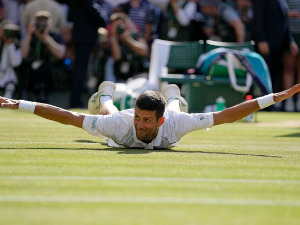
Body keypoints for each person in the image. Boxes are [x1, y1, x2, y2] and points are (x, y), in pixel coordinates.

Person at [1, 81, 300, 150]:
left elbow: (226, 115)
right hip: (116, 121)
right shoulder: (124, 122)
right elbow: (68, 117)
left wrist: (274, 98)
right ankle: (105, 94)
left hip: (171, 117)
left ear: (159, 123)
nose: (141, 125)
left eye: (147, 120)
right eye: (139, 118)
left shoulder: (173, 122)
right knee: (109, 113)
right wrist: (21, 104)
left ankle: (172, 96)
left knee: (174, 109)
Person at [252, 0, 298, 110]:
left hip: (278, 44)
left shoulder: (282, 1)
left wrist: (290, 41)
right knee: (264, 75)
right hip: (266, 43)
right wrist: (261, 40)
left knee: (275, 75)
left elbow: (284, 22)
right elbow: (258, 18)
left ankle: (269, 105)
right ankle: (261, 105)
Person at [20, 10, 66, 102]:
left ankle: (43, 93)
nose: (42, 24)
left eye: (45, 21)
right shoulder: (31, 36)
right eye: (39, 21)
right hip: (32, 69)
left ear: (50, 22)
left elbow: (60, 54)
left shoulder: (55, 35)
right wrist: (29, 34)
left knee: (45, 67)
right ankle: (24, 93)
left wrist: (46, 38)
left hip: (50, 71)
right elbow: (23, 55)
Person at [283, 0, 300, 112]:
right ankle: (288, 99)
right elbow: (279, 12)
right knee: (289, 67)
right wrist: (290, 13)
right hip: (290, 35)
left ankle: (299, 100)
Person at [0, 21, 22, 99]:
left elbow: (15, 63)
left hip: (8, 76)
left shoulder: (16, 45)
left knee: (9, 92)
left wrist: (10, 45)